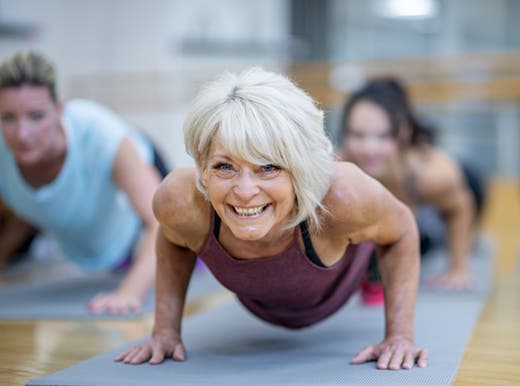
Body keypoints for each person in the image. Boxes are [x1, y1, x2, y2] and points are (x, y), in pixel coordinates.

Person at [115, 68, 428, 370]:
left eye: (268, 167)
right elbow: (172, 238)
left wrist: (400, 336)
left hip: (342, 269)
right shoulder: (179, 199)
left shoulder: (344, 196)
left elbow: (402, 231)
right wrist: (165, 331)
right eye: (225, 166)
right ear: (202, 165)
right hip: (264, 299)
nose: (245, 191)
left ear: (299, 168)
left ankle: (370, 275)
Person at [0, 50, 166, 314]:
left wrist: (128, 294)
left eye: (36, 116)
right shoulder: (6, 153)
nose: (22, 134)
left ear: (58, 110)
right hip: (91, 221)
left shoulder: (103, 136)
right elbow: (31, 205)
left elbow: (162, 222)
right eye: (8, 117)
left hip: (141, 168)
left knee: (179, 231)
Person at [340, 78, 486, 291]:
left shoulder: (431, 176)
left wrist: (458, 268)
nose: (369, 148)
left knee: (466, 182)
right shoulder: (339, 165)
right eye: (358, 135)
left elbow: (460, 207)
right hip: (388, 220)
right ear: (345, 134)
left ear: (403, 134)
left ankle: (471, 240)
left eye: (383, 136)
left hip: (435, 211)